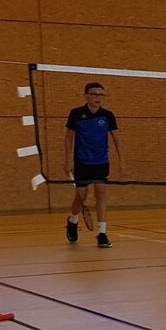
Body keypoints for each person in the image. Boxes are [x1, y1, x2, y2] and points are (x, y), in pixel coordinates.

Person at [64, 81, 121, 248]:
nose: (98, 98)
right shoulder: (76, 113)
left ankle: (102, 233)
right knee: (81, 197)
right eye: (94, 94)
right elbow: (68, 138)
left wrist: (122, 159)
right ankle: (73, 221)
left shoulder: (108, 115)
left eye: (101, 95)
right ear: (86, 96)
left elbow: (116, 138)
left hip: (101, 161)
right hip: (81, 161)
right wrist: (67, 160)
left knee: (101, 195)